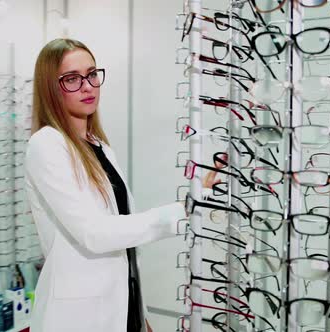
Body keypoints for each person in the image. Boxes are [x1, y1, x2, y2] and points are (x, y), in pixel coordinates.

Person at [25, 38, 221, 332]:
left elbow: (123, 242)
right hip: (78, 319)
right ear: (51, 88)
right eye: (72, 79)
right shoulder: (46, 145)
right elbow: (94, 233)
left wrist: (139, 315)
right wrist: (183, 209)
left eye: (92, 74)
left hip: (122, 311)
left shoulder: (99, 146)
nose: (88, 86)